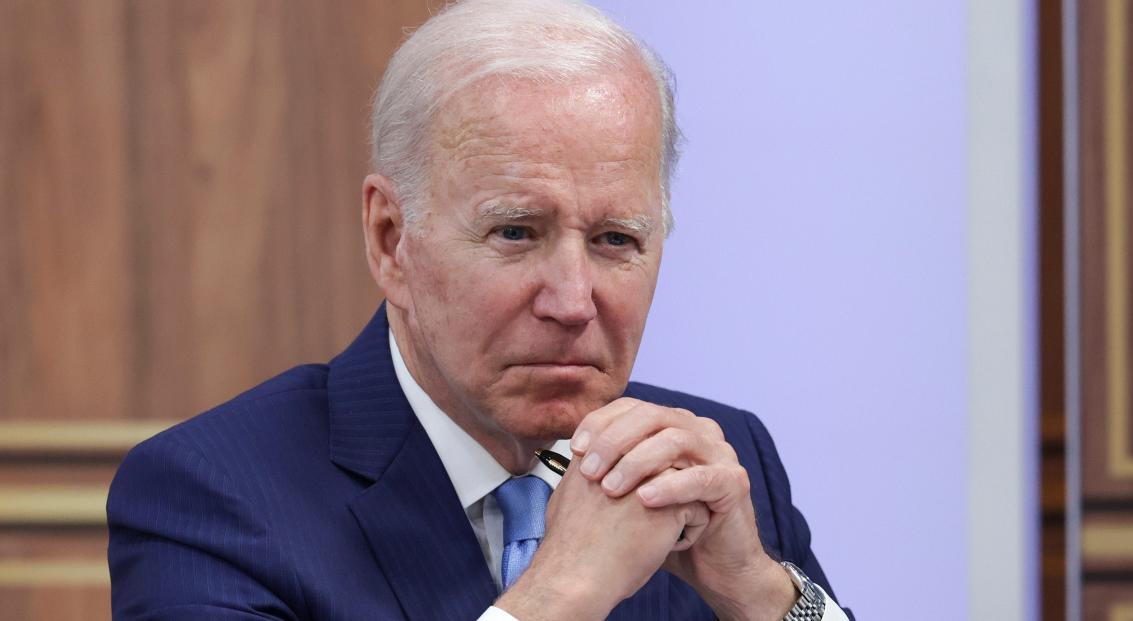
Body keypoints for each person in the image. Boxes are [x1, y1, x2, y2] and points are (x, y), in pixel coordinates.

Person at [107, 1, 853, 619]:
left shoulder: (717, 460)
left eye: (616, 238)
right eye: (516, 233)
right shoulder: (210, 498)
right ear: (391, 239)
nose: (571, 302)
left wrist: (759, 592)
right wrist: (562, 594)